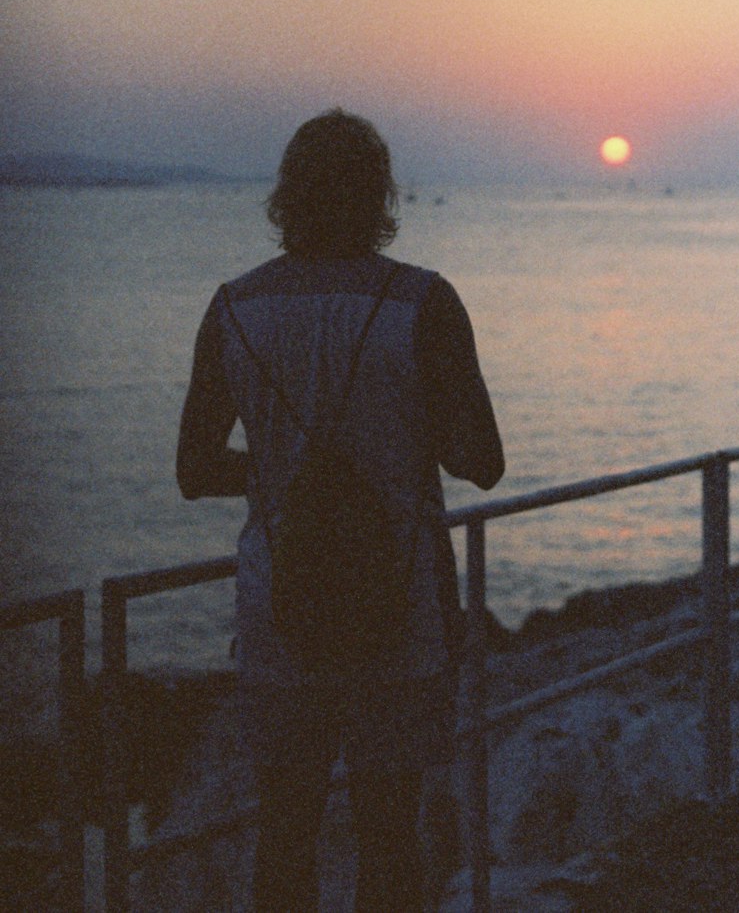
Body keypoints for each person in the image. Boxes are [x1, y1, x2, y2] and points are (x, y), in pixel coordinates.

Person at [177, 109, 504, 911]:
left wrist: (290, 475)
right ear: (379, 195)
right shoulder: (423, 303)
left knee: (285, 830)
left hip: (281, 609)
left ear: (288, 196)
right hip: (401, 609)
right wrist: (387, 452)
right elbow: (482, 463)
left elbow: (194, 470)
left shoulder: (233, 308)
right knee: (390, 834)